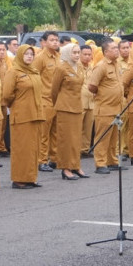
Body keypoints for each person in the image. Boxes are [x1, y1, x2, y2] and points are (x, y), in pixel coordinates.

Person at [2, 45, 45, 189]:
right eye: (26, 54)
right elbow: (7, 94)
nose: (29, 56)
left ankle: (30, 177)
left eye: (31, 54)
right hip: (21, 115)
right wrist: (18, 105)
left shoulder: (34, 71)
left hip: (35, 114)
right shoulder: (13, 72)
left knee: (33, 148)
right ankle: (19, 179)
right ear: (20, 55)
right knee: (22, 148)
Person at [50, 43, 87, 179]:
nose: (77, 55)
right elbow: (54, 90)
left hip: (77, 106)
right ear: (66, 53)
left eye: (78, 52)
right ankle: (66, 168)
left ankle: (76, 165)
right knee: (66, 139)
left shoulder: (79, 66)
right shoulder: (61, 67)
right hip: (65, 107)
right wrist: (59, 104)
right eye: (74, 53)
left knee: (76, 139)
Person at [88, 39, 124, 174]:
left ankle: (112, 161)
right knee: (103, 137)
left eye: (117, 48)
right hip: (104, 107)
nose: (117, 50)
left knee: (114, 137)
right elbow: (92, 86)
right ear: (106, 51)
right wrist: (103, 95)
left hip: (117, 108)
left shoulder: (116, 64)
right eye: (114, 48)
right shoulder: (101, 66)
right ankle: (100, 163)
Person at [32, 31, 60, 171]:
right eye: (52, 40)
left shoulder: (58, 56)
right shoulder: (40, 58)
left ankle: (53, 158)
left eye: (56, 40)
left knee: (55, 132)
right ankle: (41, 160)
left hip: (57, 100)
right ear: (44, 42)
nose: (55, 42)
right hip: (44, 99)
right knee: (43, 133)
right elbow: (33, 77)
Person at [79, 45, 95, 157]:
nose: (87, 57)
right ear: (79, 54)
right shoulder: (75, 66)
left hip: (91, 101)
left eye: (89, 54)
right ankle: (76, 149)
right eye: (85, 54)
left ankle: (85, 150)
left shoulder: (92, 67)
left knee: (88, 128)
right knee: (77, 128)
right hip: (79, 101)